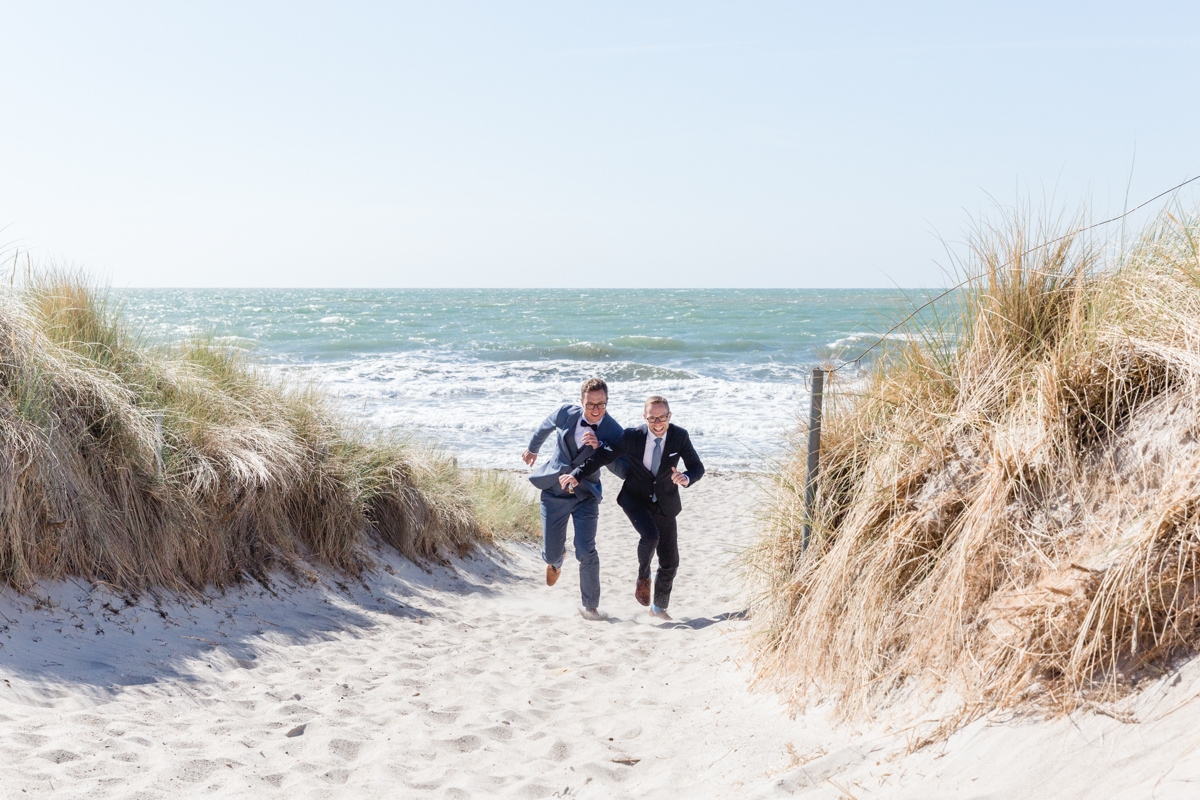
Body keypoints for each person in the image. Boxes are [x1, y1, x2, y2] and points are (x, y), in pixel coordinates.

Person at [561, 395, 704, 621]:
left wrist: (686, 477)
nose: (658, 423)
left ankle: (657, 608)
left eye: (662, 417)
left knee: (670, 561)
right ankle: (643, 577)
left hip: (665, 502)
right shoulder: (632, 436)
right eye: (652, 418)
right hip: (635, 499)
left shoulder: (679, 436)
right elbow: (601, 457)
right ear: (644, 417)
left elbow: (697, 467)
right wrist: (577, 475)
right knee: (650, 536)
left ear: (670, 416)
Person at [522, 378, 626, 621]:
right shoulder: (566, 413)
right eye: (591, 405)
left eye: (602, 404)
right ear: (582, 402)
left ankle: (591, 607)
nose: (597, 410)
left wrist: (602, 448)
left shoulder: (614, 431)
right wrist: (532, 449)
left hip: (586, 495)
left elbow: (623, 470)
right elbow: (544, 427)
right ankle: (556, 561)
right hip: (554, 492)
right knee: (551, 553)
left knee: (586, 549)